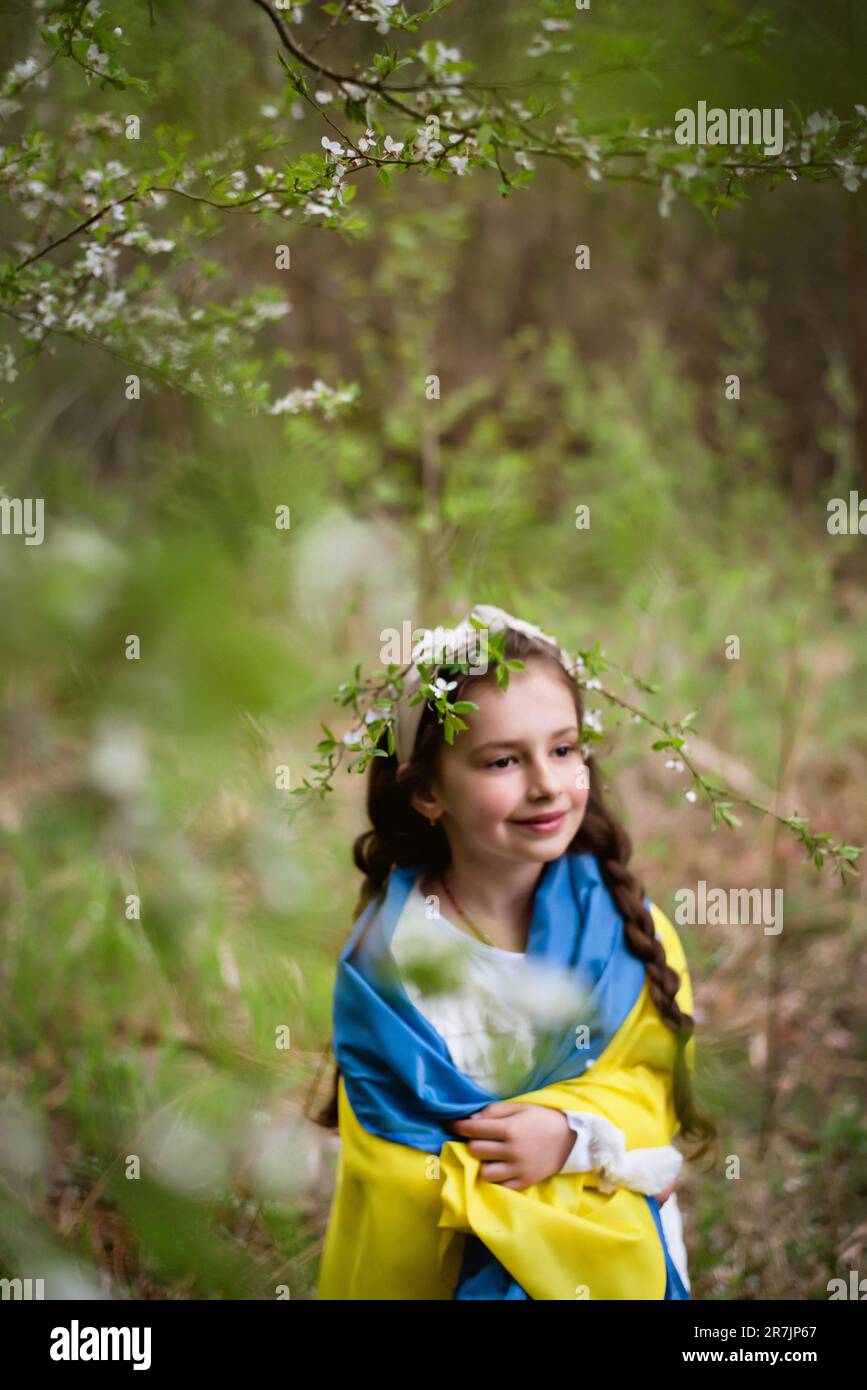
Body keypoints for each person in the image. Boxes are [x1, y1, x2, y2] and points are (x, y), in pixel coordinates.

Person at [310, 604, 716, 1299]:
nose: (546, 785)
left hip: (608, 1259)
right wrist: (509, 1177)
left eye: (563, 749)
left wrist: (572, 1134)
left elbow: (651, 1086)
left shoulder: (624, 926)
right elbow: (394, 1166)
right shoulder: (392, 964)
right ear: (429, 792)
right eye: (502, 760)